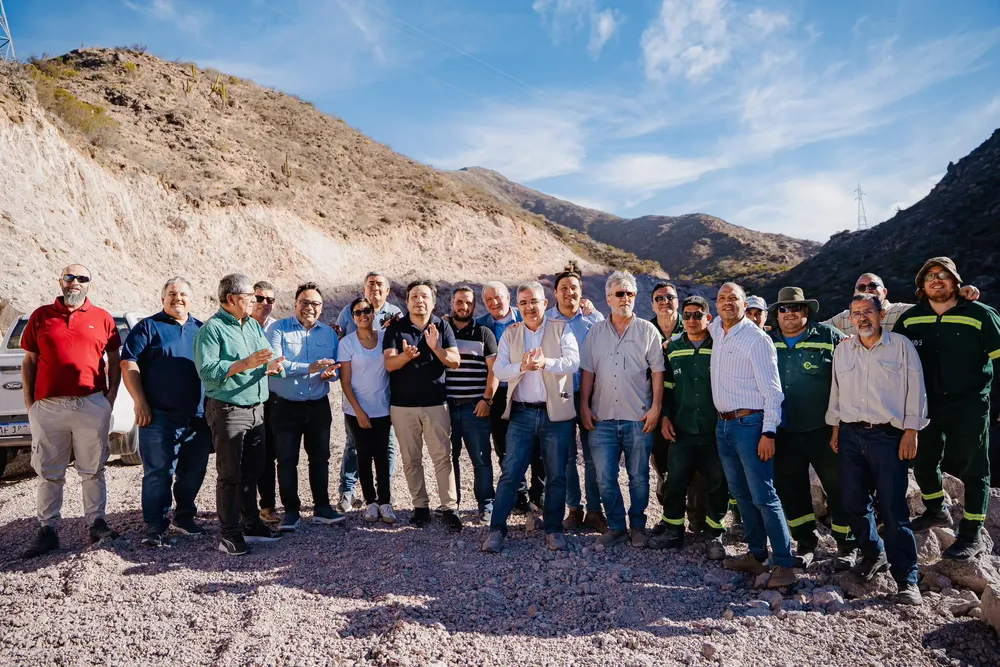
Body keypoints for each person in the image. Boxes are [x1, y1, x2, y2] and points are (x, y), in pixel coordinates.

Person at [896, 257, 1000, 560]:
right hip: (926, 404)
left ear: (956, 282)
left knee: (974, 467)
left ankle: (972, 533)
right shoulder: (911, 319)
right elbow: (896, 361)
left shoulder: (980, 314)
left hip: (969, 404)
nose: (936, 280)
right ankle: (936, 511)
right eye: (930, 276)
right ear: (922, 286)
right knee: (925, 463)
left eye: (943, 275)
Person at [827, 293, 927, 605]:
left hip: (889, 437)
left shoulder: (900, 346)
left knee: (894, 509)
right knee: (853, 502)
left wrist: (912, 431)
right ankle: (873, 553)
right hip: (850, 435)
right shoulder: (843, 350)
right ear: (850, 319)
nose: (862, 318)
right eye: (856, 313)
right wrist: (835, 428)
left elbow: (917, 389)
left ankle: (907, 580)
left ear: (880, 313)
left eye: (867, 311)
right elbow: (836, 391)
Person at [20, 265, 122, 558]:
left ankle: (96, 523)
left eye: (82, 278)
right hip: (48, 407)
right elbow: (29, 361)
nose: (75, 283)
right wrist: (31, 402)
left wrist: (110, 397)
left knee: (93, 468)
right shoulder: (41, 316)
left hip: (90, 403)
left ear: (89, 284)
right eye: (70, 277)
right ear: (60, 282)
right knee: (49, 472)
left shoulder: (102, 318)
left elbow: (114, 360)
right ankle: (48, 530)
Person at [482, 282, 580, 553]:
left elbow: (572, 362)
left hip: (555, 415)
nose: (529, 307)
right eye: (523, 303)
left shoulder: (562, 328)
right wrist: (522, 367)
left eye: (534, 301)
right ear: (518, 305)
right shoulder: (511, 334)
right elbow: (500, 370)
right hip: (522, 413)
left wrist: (545, 363)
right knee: (511, 472)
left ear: (545, 303)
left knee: (556, 474)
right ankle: (496, 529)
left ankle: (553, 529)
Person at [711, 282, 797, 588]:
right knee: (742, 494)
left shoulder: (756, 339)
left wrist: (769, 432)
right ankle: (757, 554)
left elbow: (773, 393)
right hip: (724, 426)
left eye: (733, 298)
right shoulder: (717, 331)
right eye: (721, 298)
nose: (727, 302)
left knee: (764, 496)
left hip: (751, 426)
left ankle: (785, 565)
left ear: (744, 304)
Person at [194, 273, 285, 556]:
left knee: (253, 471)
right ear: (232, 299)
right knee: (230, 474)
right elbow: (207, 372)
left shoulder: (252, 326)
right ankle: (229, 535)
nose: (257, 301)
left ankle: (250, 524)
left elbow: (262, 358)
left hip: (257, 408)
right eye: (252, 297)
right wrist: (243, 364)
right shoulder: (212, 330)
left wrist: (270, 367)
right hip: (228, 409)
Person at [767, 287, 857, 570]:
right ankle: (806, 542)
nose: (790, 313)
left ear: (806, 311)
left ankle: (847, 544)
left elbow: (859, 359)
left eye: (796, 308)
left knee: (839, 486)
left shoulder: (829, 337)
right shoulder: (767, 342)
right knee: (791, 489)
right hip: (783, 431)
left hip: (824, 430)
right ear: (776, 314)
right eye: (783, 309)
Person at [121, 277, 212, 547]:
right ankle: (156, 525)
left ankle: (184, 517)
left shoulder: (203, 329)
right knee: (158, 472)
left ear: (191, 299)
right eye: (172, 294)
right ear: (163, 299)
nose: (178, 298)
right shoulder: (148, 327)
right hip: (157, 416)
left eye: (183, 294)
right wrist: (140, 401)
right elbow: (128, 363)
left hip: (197, 417)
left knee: (194, 471)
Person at [580, 271, 664, 548]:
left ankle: (638, 526)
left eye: (629, 293)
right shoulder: (595, 332)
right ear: (608, 298)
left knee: (639, 477)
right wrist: (584, 406)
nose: (625, 298)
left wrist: (656, 409)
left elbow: (658, 373)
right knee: (605, 477)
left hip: (638, 417)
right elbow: (588, 372)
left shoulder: (647, 331)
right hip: (602, 417)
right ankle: (616, 527)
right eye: (619, 293)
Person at [648, 296, 729, 560]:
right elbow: (668, 388)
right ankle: (673, 530)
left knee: (717, 482)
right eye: (687, 315)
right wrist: (666, 417)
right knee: (675, 481)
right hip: (682, 429)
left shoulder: (720, 346)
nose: (692, 320)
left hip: (713, 429)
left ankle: (715, 534)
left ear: (708, 318)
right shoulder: (673, 348)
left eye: (698, 315)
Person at [383, 280, 462, 531]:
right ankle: (420, 507)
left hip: (436, 404)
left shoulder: (442, 326)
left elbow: (454, 362)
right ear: (406, 302)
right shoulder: (396, 329)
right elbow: (389, 364)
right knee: (411, 459)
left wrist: (435, 347)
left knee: (442, 457)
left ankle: (449, 508)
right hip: (403, 405)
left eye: (424, 296)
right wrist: (405, 356)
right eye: (414, 296)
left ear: (433, 301)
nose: (419, 300)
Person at [267, 282, 346, 531]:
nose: (309, 308)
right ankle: (291, 511)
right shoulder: (278, 329)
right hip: (285, 406)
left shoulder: (329, 333)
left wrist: (329, 375)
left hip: (318, 406)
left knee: (320, 457)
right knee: (287, 459)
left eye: (314, 304)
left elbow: (334, 370)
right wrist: (308, 368)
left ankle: (322, 507)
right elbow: (276, 366)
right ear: (295, 304)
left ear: (321, 308)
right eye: (304, 302)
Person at [335, 271, 402, 513]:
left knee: (384, 454)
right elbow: (345, 381)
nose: (363, 315)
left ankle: (385, 501)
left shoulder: (388, 332)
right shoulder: (347, 342)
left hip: (384, 406)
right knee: (360, 452)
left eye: (367, 312)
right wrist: (358, 410)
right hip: (357, 408)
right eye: (358, 313)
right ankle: (365, 499)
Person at [547, 269, 608, 534]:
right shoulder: (547, 319)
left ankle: (595, 510)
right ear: (555, 293)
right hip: (559, 397)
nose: (569, 292)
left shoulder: (595, 320)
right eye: (564, 288)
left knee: (594, 456)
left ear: (581, 291)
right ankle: (574, 509)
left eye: (574, 288)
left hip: (593, 397)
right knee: (567, 457)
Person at [476, 281, 533, 513]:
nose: (494, 302)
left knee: (534, 446)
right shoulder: (480, 324)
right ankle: (520, 494)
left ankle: (539, 493)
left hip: (526, 388)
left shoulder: (527, 316)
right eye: (489, 300)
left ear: (508, 298)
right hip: (497, 393)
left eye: (498, 297)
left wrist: (589, 307)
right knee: (503, 445)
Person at [445, 286, 499, 523]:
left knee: (481, 458)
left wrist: (487, 399)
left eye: (467, 302)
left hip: (475, 407)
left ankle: (486, 504)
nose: (463, 306)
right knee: (448, 457)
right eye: (459, 302)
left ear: (474, 305)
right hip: (446, 407)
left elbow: (494, 369)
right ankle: (452, 505)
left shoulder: (484, 333)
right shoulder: (441, 330)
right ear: (451, 303)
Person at [823, 272, 979, 336]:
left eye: (873, 286)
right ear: (854, 294)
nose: (868, 290)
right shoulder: (844, 318)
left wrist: (954, 294)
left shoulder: (902, 311)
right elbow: (816, 330)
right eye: (862, 287)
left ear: (884, 292)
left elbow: (935, 309)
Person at [252, 280, 280, 525]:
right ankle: (243, 507)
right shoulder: (239, 326)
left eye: (269, 300)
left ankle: (267, 505)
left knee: (268, 452)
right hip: (245, 397)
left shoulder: (276, 328)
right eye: (259, 298)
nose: (264, 304)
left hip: (271, 398)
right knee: (245, 454)